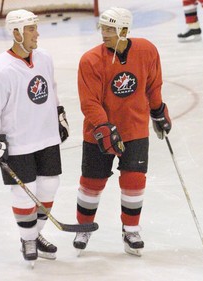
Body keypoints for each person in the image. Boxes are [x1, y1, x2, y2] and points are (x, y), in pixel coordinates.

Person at [72, 7, 172, 257]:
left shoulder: (147, 50)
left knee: (134, 181)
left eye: (110, 29)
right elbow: (89, 102)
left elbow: (153, 83)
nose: (103, 33)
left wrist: (158, 110)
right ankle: (83, 227)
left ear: (124, 30)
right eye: (102, 28)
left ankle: (131, 230)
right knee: (92, 183)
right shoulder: (90, 60)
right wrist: (104, 127)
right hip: (99, 132)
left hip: (134, 128)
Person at [0, 9, 69, 262]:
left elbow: (51, 89)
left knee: (49, 187)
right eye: (31, 29)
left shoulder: (44, 58)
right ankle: (27, 239)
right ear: (16, 32)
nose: (37, 33)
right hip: (18, 141)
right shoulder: (0, 69)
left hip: (46, 135)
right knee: (24, 191)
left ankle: (35, 233)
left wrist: (59, 113)